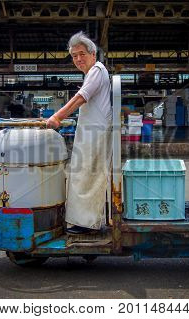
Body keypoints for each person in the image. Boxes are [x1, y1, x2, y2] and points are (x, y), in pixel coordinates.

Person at [46, 31, 112, 235]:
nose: (78, 59)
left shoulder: (97, 71)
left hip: (96, 135)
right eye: (74, 56)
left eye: (82, 54)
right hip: (91, 134)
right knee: (82, 176)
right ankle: (83, 221)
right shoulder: (93, 73)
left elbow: (80, 97)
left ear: (93, 54)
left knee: (88, 177)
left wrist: (56, 117)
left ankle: (86, 224)